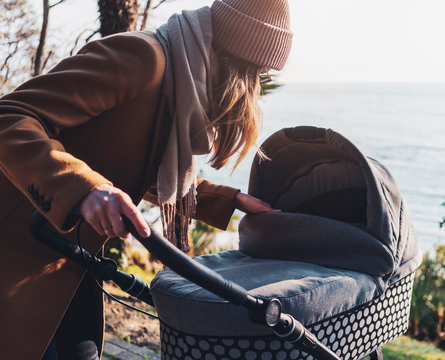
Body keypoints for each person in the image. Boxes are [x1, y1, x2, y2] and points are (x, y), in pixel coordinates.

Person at [0, 0, 292, 358]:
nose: (258, 84)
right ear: (239, 58)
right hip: (16, 259)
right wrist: (84, 188)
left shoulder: (179, 81)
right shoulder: (142, 58)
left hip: (67, 265)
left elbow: (138, 169)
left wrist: (227, 200)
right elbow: (9, 116)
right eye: (259, 72)